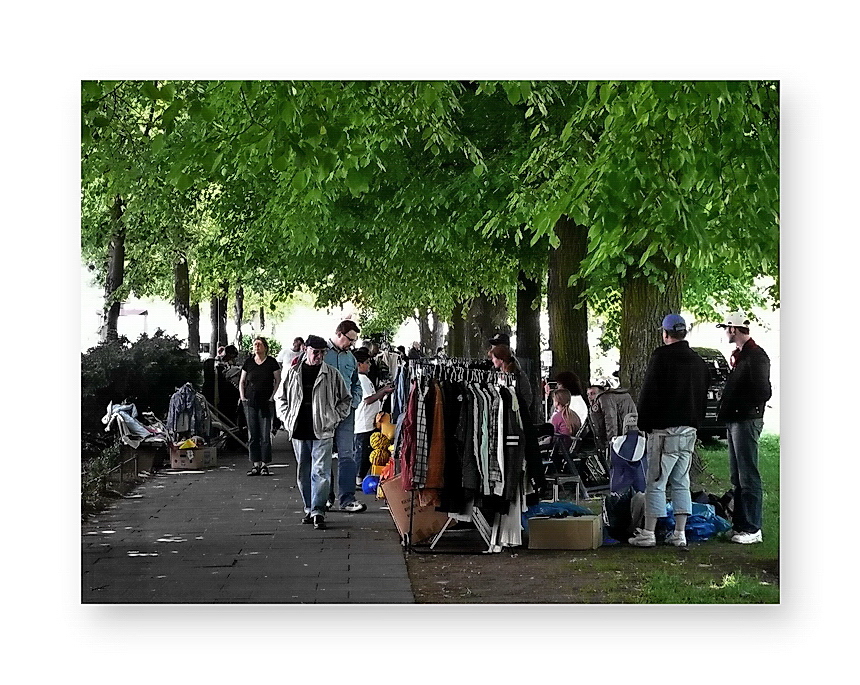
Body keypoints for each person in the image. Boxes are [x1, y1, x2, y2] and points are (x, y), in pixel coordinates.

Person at [628, 314, 709, 548]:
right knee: (682, 481)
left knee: (656, 481)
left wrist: (643, 423)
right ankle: (679, 533)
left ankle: (649, 532)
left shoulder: (661, 357)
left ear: (665, 333)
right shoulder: (698, 361)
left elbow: (650, 392)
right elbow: (703, 396)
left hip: (664, 431)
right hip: (689, 430)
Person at [278, 335, 351, 530]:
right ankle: (309, 508)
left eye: (322, 353)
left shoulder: (332, 374)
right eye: (315, 352)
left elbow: (346, 399)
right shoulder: (293, 373)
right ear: (305, 350)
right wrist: (286, 418)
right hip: (299, 428)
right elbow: (280, 398)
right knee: (304, 471)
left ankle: (318, 510)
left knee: (321, 471)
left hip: (323, 429)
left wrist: (334, 418)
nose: (319, 356)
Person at [716, 312, 772, 544]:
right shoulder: (741, 356)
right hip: (735, 420)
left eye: (727, 329)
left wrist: (741, 405)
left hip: (746, 420)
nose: (726, 333)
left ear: (734, 330)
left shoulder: (756, 357)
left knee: (748, 475)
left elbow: (763, 392)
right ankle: (739, 524)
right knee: (737, 476)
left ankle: (752, 528)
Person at [324, 320, 367, 512]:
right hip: (325, 413)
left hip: (347, 413)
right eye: (350, 339)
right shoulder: (321, 353)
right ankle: (326, 496)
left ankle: (347, 498)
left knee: (347, 455)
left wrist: (355, 401)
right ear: (340, 333)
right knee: (323, 455)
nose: (352, 344)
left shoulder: (350, 358)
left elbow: (356, 383)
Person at [239, 337, 281, 476]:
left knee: (265, 434)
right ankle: (255, 463)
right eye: (255, 344)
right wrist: (243, 396)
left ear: (265, 347)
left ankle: (264, 464)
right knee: (253, 434)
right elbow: (242, 381)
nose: (257, 347)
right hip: (251, 401)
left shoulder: (271, 362)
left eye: (259, 344)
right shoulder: (249, 362)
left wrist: (272, 396)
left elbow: (278, 380)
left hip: (266, 402)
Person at [353, 348, 395, 481]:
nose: (370, 365)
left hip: (368, 421)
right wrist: (383, 392)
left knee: (366, 450)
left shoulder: (364, 378)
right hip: (363, 423)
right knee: (363, 452)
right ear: (359, 364)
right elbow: (368, 399)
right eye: (367, 362)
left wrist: (383, 390)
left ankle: (360, 476)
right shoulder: (361, 379)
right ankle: (358, 478)